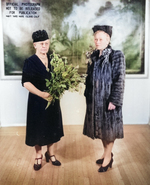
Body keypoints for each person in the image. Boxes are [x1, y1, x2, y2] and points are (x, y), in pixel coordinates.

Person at [83, 25, 125, 172]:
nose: (97, 41)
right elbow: (90, 78)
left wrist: (114, 100)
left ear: (108, 39)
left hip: (109, 100)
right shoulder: (94, 56)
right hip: (95, 101)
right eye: (96, 39)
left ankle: (108, 158)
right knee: (100, 130)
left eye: (101, 39)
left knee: (109, 130)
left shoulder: (116, 55)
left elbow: (120, 79)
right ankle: (107, 153)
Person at [22, 30, 64, 171]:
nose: (44, 46)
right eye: (41, 44)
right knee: (38, 129)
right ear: (35, 45)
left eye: (46, 43)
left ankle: (50, 153)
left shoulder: (53, 60)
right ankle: (38, 155)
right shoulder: (30, 62)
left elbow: (59, 78)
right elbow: (26, 83)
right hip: (37, 101)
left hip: (52, 100)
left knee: (52, 127)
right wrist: (41, 94)